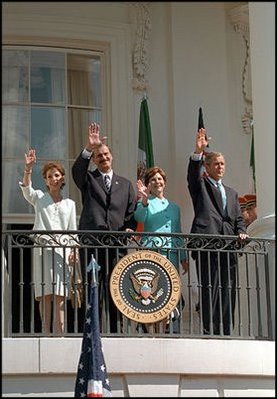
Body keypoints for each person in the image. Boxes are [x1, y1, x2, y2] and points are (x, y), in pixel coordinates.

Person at [72, 122, 137, 332]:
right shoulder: (88, 179)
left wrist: (129, 228)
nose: (104, 158)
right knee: (93, 289)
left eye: (106, 154)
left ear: (112, 157)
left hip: (116, 245)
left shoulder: (126, 184)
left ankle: (116, 332)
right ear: (95, 160)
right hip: (92, 243)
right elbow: (77, 171)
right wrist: (90, 148)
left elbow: (130, 213)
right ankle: (91, 334)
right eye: (99, 156)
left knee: (115, 289)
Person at [187, 128, 248, 335]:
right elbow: (192, 175)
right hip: (207, 244)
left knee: (228, 289)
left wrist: (241, 232)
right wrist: (198, 151)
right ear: (207, 166)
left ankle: (226, 330)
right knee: (210, 288)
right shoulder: (201, 185)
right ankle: (209, 330)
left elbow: (238, 218)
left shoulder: (231, 192)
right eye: (216, 164)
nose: (220, 167)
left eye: (222, 164)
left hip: (229, 246)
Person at [19, 149, 77, 334]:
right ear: (45, 180)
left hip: (62, 251)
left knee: (60, 293)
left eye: (57, 175)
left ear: (62, 179)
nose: (53, 178)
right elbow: (27, 190)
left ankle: (59, 334)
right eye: (50, 176)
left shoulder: (70, 204)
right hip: (43, 250)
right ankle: (45, 333)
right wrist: (28, 169)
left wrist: (74, 251)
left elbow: (72, 231)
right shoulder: (39, 198)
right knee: (45, 292)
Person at [135, 166, 189, 332]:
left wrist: (183, 257)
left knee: (167, 294)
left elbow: (177, 232)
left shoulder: (174, 207)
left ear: (164, 183)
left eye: (159, 179)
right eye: (153, 179)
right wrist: (144, 199)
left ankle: (162, 332)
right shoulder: (145, 202)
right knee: (151, 292)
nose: (157, 182)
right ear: (148, 184)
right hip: (152, 253)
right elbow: (139, 218)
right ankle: (151, 331)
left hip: (170, 254)